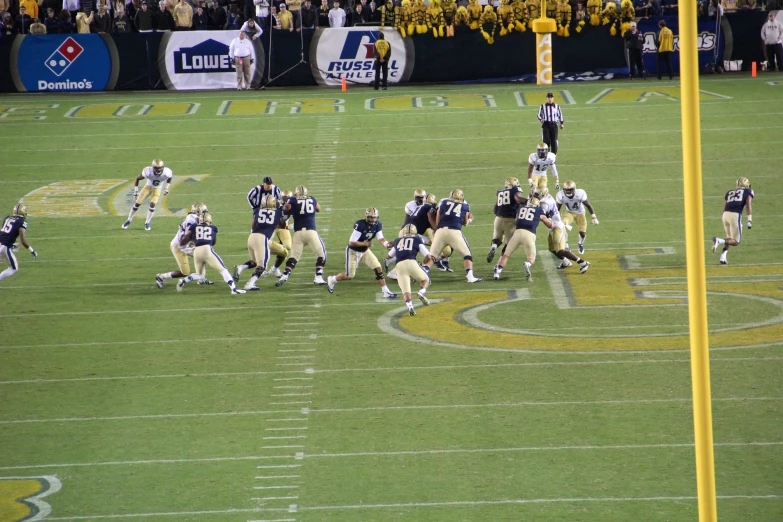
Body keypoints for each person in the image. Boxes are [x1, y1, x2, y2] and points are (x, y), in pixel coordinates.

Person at [326, 208, 397, 298]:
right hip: (353, 251)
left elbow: (381, 238)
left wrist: (387, 244)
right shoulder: (360, 224)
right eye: (371, 218)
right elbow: (351, 242)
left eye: (375, 218)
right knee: (349, 275)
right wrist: (366, 243)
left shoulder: (378, 225)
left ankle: (385, 291)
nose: (373, 220)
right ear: (366, 217)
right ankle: (332, 279)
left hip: (365, 251)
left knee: (378, 268)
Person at [424, 189, 483, 283]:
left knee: (433, 257)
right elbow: (465, 222)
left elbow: (438, 219)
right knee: (467, 255)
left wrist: (439, 229)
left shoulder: (443, 203)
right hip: (454, 232)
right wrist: (470, 220)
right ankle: (470, 277)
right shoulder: (465, 206)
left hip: (440, 231)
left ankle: (424, 272)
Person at [177, 213, 246, 294]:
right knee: (223, 270)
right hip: (206, 250)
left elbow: (184, 241)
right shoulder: (213, 228)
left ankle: (183, 281)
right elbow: (213, 242)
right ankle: (234, 289)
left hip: (196, 251)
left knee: (200, 275)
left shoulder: (194, 226)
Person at [275, 185, 328, 287]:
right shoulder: (312, 199)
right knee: (321, 255)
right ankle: (318, 277)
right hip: (311, 232)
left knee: (294, 256)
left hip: (298, 233)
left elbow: (286, 209)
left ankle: (285, 275)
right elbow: (318, 208)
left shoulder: (293, 200)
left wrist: (286, 205)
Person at [233, 194, 286, 291]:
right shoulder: (277, 212)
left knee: (255, 262)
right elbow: (282, 224)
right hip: (262, 238)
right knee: (262, 266)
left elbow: (253, 225)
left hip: (252, 237)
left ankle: (241, 267)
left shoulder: (257, 210)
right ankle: (250, 283)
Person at [493, 197, 553, 282]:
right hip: (529, 234)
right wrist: (549, 217)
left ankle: (498, 271)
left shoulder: (520, 208)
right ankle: (527, 264)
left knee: (506, 254)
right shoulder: (538, 210)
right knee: (531, 258)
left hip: (517, 233)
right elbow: (549, 224)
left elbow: (517, 221)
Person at [157, 202, 212, 288]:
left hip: (187, 245)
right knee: (185, 272)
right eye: (203, 212)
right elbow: (184, 239)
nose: (205, 214)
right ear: (198, 212)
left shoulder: (195, 219)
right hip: (179, 246)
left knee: (203, 256)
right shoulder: (191, 219)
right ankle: (161, 277)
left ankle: (201, 280)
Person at [536, 187, 590, 273]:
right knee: (552, 249)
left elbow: (546, 220)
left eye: (537, 195)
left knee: (561, 250)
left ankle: (582, 262)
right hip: (551, 227)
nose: (536, 196)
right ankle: (566, 262)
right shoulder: (547, 197)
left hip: (556, 227)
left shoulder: (545, 204)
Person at [388, 224, 432, 316]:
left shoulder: (397, 240)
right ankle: (421, 292)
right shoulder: (417, 239)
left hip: (399, 266)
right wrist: (424, 265)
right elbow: (428, 256)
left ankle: (410, 307)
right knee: (425, 280)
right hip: (412, 262)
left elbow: (389, 256)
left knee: (406, 291)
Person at [712, 178, 754, 265]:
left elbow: (725, 205)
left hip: (725, 215)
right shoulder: (747, 192)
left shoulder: (730, 192)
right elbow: (748, 205)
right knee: (736, 241)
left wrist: (723, 217)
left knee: (729, 238)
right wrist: (749, 220)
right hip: (735, 215)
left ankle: (723, 257)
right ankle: (719, 241)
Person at [122, 159, 173, 231]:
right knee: (137, 203)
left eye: (160, 167)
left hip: (157, 188)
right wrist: (136, 192)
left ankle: (147, 223)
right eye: (156, 168)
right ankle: (129, 220)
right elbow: (138, 178)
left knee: (152, 204)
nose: (158, 169)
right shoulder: (148, 172)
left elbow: (170, 178)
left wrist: (167, 188)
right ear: (153, 168)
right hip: (147, 187)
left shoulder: (167, 172)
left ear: (163, 167)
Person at [556, 180, 598, 255]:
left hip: (580, 213)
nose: (568, 192)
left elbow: (588, 205)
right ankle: (566, 245)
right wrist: (556, 219)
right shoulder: (560, 195)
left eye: (570, 190)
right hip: (569, 213)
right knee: (562, 225)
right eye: (567, 190)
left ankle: (580, 243)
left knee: (582, 233)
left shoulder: (580, 193)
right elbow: (557, 209)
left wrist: (593, 216)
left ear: (574, 189)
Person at [0, 204, 38, 286]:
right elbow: (23, 241)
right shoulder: (22, 222)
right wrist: (32, 250)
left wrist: (11, 244)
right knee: (13, 269)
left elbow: (4, 233)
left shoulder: (7, 218)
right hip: (4, 247)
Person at [487, 177, 522, 263]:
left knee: (497, 239)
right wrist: (527, 201)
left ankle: (494, 247)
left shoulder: (500, 192)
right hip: (510, 221)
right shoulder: (515, 190)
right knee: (509, 244)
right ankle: (499, 266)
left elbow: (495, 208)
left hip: (498, 219)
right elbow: (518, 200)